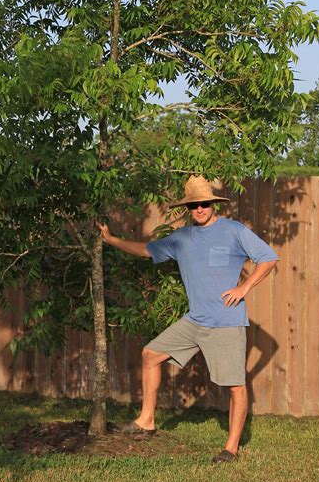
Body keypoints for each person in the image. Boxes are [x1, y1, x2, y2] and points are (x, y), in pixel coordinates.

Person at [98, 174, 279, 464]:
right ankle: (146, 420)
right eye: (194, 205)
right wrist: (111, 240)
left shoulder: (233, 231)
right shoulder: (181, 237)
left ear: (213, 204)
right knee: (150, 354)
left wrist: (244, 287)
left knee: (235, 386)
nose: (200, 209)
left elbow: (268, 258)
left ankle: (231, 448)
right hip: (195, 320)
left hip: (226, 322)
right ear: (188, 208)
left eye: (205, 203)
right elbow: (147, 250)